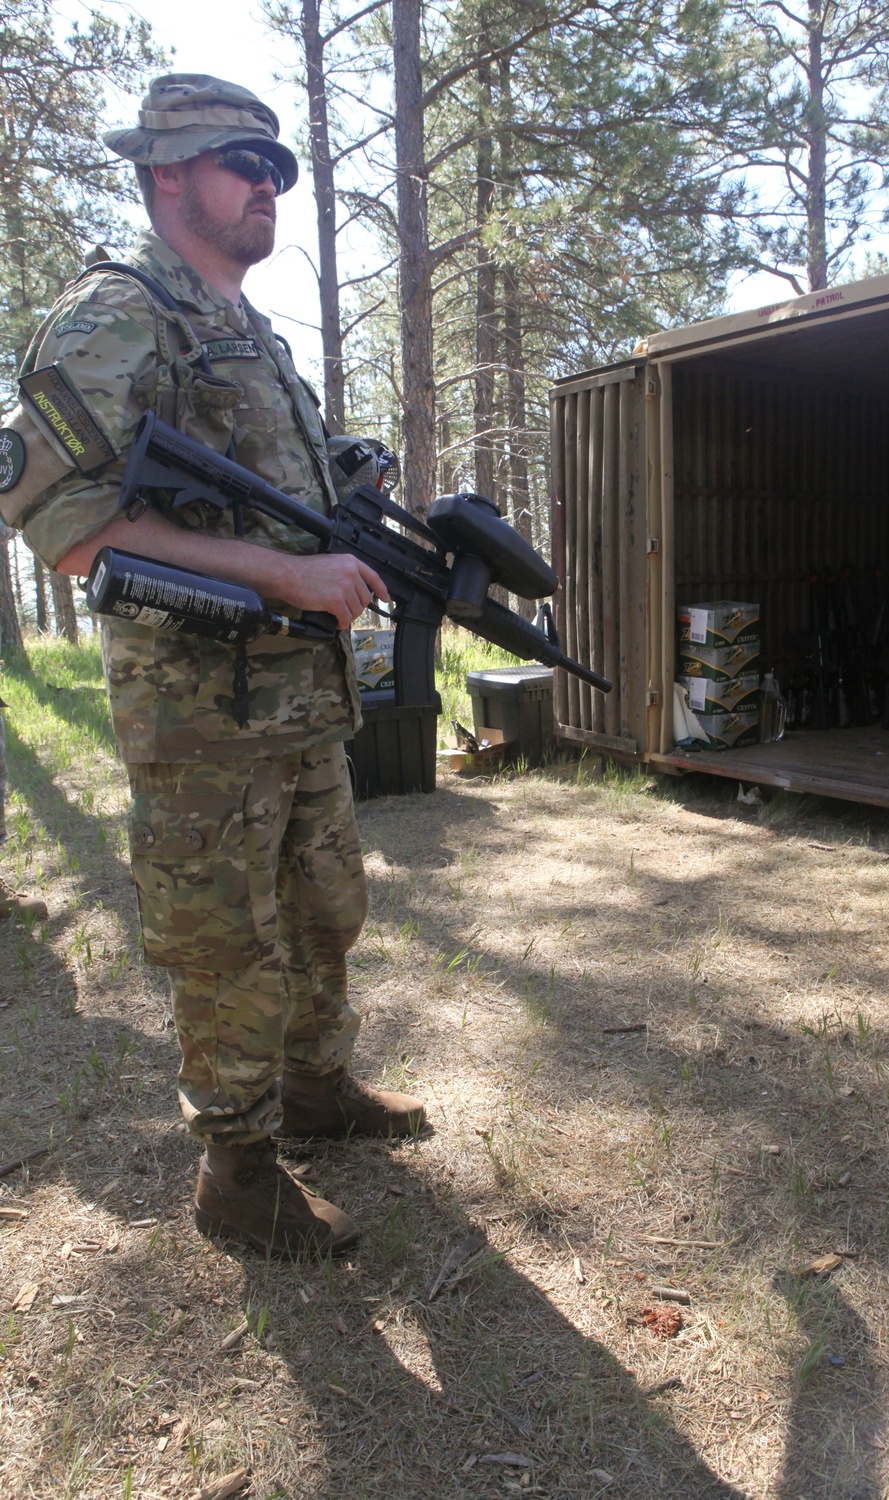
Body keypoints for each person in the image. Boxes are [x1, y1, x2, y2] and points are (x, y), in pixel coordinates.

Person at [0, 74, 426, 1259]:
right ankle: (237, 1176)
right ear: (167, 173)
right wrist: (284, 576)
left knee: (324, 910)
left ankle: (317, 1092)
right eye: (244, 162)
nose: (269, 186)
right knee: (225, 944)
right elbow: (65, 524)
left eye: (279, 168)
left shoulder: (248, 333)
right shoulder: (114, 314)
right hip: (200, 723)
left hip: (298, 701)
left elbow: (277, 510)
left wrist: (341, 509)